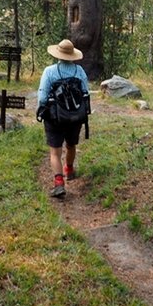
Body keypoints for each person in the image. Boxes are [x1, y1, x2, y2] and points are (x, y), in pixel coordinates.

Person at [37, 39, 90, 198]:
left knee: (55, 151)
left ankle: (59, 183)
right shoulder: (79, 71)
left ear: (57, 54)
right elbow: (85, 93)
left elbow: (42, 97)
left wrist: (41, 111)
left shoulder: (49, 71)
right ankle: (70, 169)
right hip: (75, 117)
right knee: (71, 145)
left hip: (55, 117)